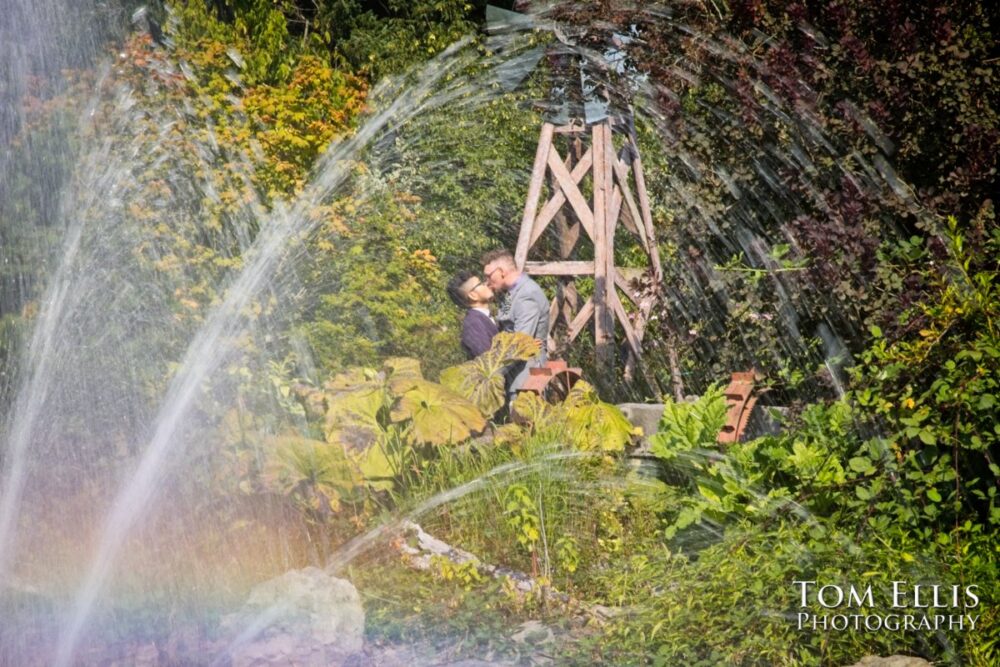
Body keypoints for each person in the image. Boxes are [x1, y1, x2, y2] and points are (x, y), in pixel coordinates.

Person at [480, 248, 549, 394]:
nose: (487, 282)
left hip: (527, 381)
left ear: (501, 271)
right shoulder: (512, 292)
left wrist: (490, 374)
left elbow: (519, 345)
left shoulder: (527, 295)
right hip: (516, 377)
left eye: (488, 276)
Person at [446, 269, 499, 359]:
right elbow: (487, 360)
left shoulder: (484, 317)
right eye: (481, 283)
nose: (487, 284)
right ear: (473, 295)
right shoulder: (473, 324)